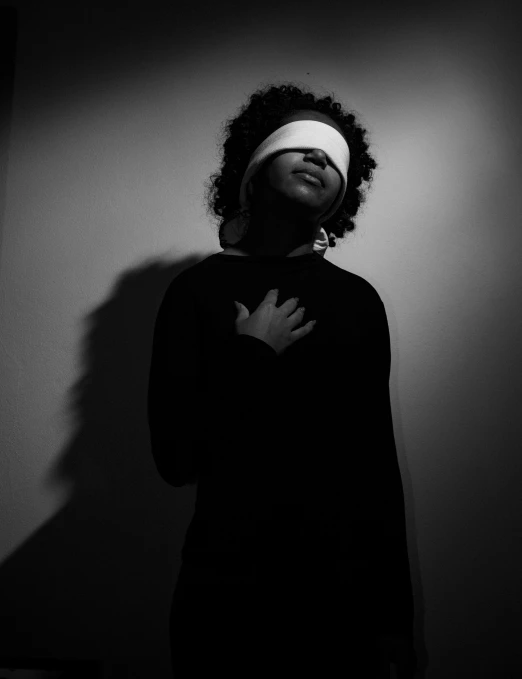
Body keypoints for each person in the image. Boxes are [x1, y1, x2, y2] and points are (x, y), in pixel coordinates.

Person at [147, 82, 417, 677]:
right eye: (304, 141)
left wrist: (394, 622)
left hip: (339, 605)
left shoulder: (356, 301)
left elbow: (375, 468)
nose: (322, 155)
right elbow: (175, 458)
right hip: (226, 600)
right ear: (254, 162)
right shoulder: (195, 293)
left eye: (337, 154)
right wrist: (250, 357)